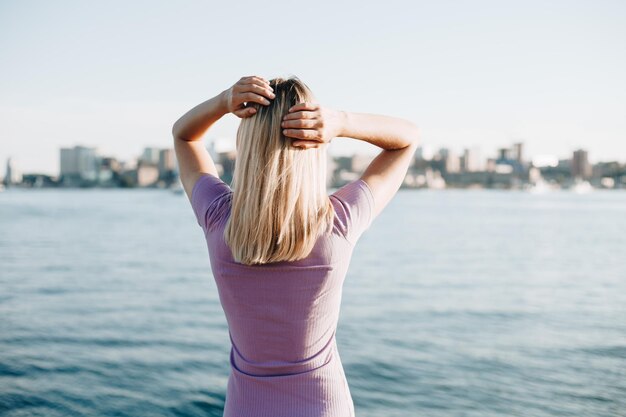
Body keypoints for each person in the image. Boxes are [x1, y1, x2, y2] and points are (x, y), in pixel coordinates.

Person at [172, 75, 419, 417]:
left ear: (247, 144)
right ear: (315, 145)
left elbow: (184, 136)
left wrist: (223, 101)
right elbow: (406, 139)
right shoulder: (339, 223)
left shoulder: (217, 217)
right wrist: (342, 121)